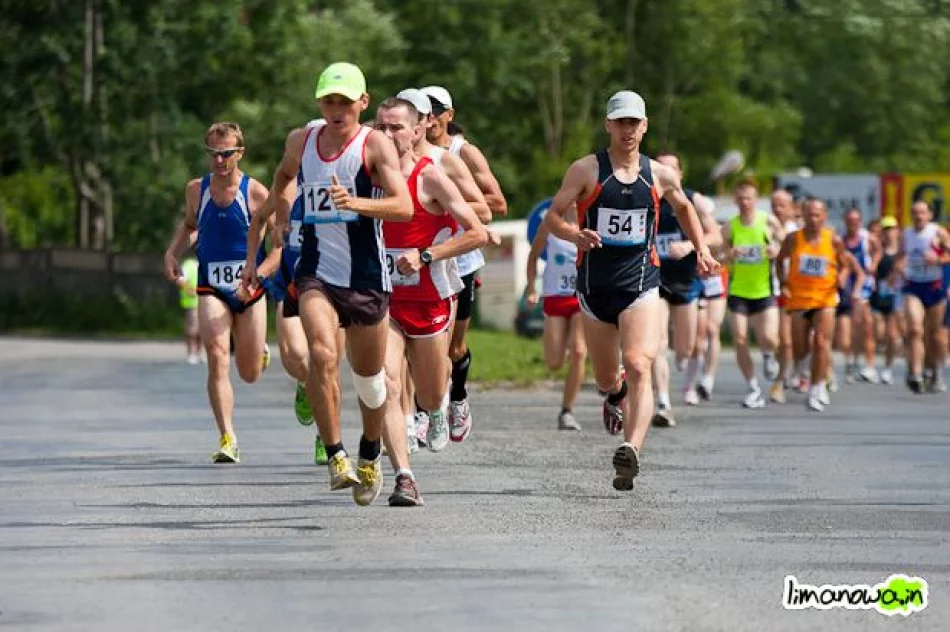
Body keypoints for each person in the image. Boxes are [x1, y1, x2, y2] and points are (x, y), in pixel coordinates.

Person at [243, 62, 413, 506]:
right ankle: (336, 456)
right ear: (319, 102)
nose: (336, 110)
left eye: (345, 101)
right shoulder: (302, 140)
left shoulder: (373, 144)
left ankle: (370, 454)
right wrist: (282, 215)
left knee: (371, 382)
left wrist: (354, 201)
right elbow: (283, 177)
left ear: (362, 102)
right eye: (328, 100)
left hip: (366, 276)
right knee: (320, 354)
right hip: (316, 270)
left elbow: (403, 206)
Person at [543, 90, 718, 491]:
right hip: (594, 285)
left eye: (633, 123)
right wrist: (574, 233)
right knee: (608, 377)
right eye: (619, 122)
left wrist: (703, 250)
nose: (627, 130)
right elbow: (553, 217)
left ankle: (631, 450)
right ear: (608, 125)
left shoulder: (659, 175)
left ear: (644, 126)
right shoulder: (586, 170)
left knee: (640, 362)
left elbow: (686, 209)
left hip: (640, 280)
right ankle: (614, 393)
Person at [373, 94, 487, 504]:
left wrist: (425, 255)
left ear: (418, 129)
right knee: (385, 382)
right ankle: (404, 476)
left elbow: (477, 231)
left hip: (428, 298)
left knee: (431, 390)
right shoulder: (364, 177)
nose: (387, 134)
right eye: (380, 127)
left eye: (396, 127)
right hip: (381, 301)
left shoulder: (430, 177)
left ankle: (437, 409)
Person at [163, 122, 278, 464]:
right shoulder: (196, 190)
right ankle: (227, 437)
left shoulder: (255, 192)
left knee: (249, 373)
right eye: (213, 154)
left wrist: (256, 274)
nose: (219, 161)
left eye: (226, 154)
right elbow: (189, 224)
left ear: (239, 153)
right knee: (215, 355)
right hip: (211, 284)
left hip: (249, 286)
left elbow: (279, 247)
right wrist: (172, 252)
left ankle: (257, 351)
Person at [393, 88, 491, 449]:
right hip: (396, 273)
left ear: (427, 122)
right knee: (397, 354)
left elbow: (486, 208)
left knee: (450, 350)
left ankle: (450, 399)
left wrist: (442, 208)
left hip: (451, 265)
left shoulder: (446, 160)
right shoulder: (383, 161)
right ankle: (410, 418)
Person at [421, 85, 508, 443]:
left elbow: (497, 203)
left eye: (436, 112)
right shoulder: (407, 154)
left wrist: (448, 199)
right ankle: (426, 413)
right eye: (423, 112)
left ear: (448, 115)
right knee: (426, 342)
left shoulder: (462, 152)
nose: (429, 119)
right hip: (425, 256)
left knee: (454, 347)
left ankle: (457, 396)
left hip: (463, 257)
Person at [650, 151, 720, 423]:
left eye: (671, 169)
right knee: (658, 345)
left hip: (686, 282)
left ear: (679, 174)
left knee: (686, 350)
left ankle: (681, 362)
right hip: (654, 279)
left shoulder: (692, 200)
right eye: (661, 168)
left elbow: (715, 235)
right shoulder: (646, 195)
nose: (666, 173)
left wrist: (690, 245)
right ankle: (663, 403)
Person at [777, 198, 863, 412]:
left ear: (824, 216)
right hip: (799, 298)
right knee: (799, 346)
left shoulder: (833, 240)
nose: (813, 219)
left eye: (818, 215)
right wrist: (784, 283)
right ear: (803, 216)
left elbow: (847, 264)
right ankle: (803, 368)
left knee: (821, 342)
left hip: (825, 298)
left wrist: (842, 276)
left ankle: (817, 388)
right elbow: (779, 261)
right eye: (809, 215)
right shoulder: (793, 239)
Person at [721, 180, 784, 408]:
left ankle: (769, 356)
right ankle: (752, 386)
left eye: (749, 198)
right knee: (739, 338)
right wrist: (730, 253)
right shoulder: (730, 226)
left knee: (770, 338)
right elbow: (721, 254)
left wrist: (775, 248)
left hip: (764, 290)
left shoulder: (768, 221)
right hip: (739, 290)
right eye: (741, 198)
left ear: (756, 200)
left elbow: (784, 242)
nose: (745, 202)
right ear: (735, 201)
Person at [524, 205, 586, 431]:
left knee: (579, 351)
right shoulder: (550, 224)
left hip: (581, 296)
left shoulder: (591, 220)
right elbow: (532, 258)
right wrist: (532, 288)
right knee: (554, 362)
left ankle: (567, 411)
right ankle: (565, 345)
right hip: (555, 297)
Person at [898, 201, 950, 393]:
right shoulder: (907, 233)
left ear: (929, 215)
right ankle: (916, 372)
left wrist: (937, 259)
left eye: (922, 213)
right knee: (914, 329)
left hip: (935, 287)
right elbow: (902, 255)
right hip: (913, 285)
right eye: (915, 213)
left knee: (935, 335)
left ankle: (935, 371)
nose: (918, 216)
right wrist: (900, 265)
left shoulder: (938, 232)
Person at [834, 207, 880, 385]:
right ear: (845, 221)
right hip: (846, 284)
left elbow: (878, 250)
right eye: (849, 221)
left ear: (860, 221)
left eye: (855, 221)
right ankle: (851, 360)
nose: (852, 224)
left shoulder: (867, 237)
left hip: (863, 283)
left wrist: (874, 264)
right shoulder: (840, 238)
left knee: (865, 325)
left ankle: (869, 365)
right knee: (847, 331)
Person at [767, 188, 799, 404]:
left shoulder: (799, 231)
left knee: (795, 340)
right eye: (774, 205)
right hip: (772, 288)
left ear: (792, 208)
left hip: (798, 291)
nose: (778, 209)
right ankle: (781, 378)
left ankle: (814, 372)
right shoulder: (763, 227)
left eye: (782, 205)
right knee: (779, 339)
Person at [869, 216, 903, 385]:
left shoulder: (902, 251)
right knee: (878, 332)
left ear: (897, 231)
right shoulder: (878, 250)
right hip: (878, 295)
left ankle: (888, 369)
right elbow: (871, 269)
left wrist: (898, 273)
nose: (889, 233)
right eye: (885, 230)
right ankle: (872, 365)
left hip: (895, 296)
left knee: (892, 336)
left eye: (892, 229)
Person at [177, 254, 201, 364]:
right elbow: (181, 280)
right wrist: (190, 290)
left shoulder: (206, 262)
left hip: (205, 302)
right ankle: (191, 353)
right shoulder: (189, 265)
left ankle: (200, 353)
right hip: (192, 302)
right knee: (193, 329)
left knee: (203, 329)